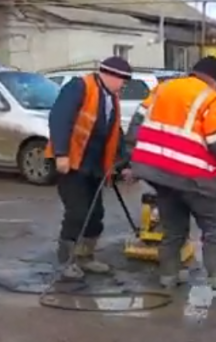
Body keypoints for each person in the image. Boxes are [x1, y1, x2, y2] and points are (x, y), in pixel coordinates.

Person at [126, 56, 216, 290]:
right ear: (214, 80)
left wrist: (130, 160)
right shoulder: (211, 98)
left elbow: (135, 126)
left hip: (158, 172)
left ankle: (168, 275)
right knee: (213, 226)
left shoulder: (162, 89)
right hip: (192, 174)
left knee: (173, 226)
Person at [45, 56, 134, 282]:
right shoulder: (79, 87)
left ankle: (85, 256)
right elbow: (59, 119)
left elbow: (115, 134)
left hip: (93, 165)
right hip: (72, 162)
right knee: (77, 212)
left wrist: (123, 164)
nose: (125, 85)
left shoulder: (111, 98)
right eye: (124, 80)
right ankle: (67, 261)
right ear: (110, 75)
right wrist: (61, 154)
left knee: (96, 214)